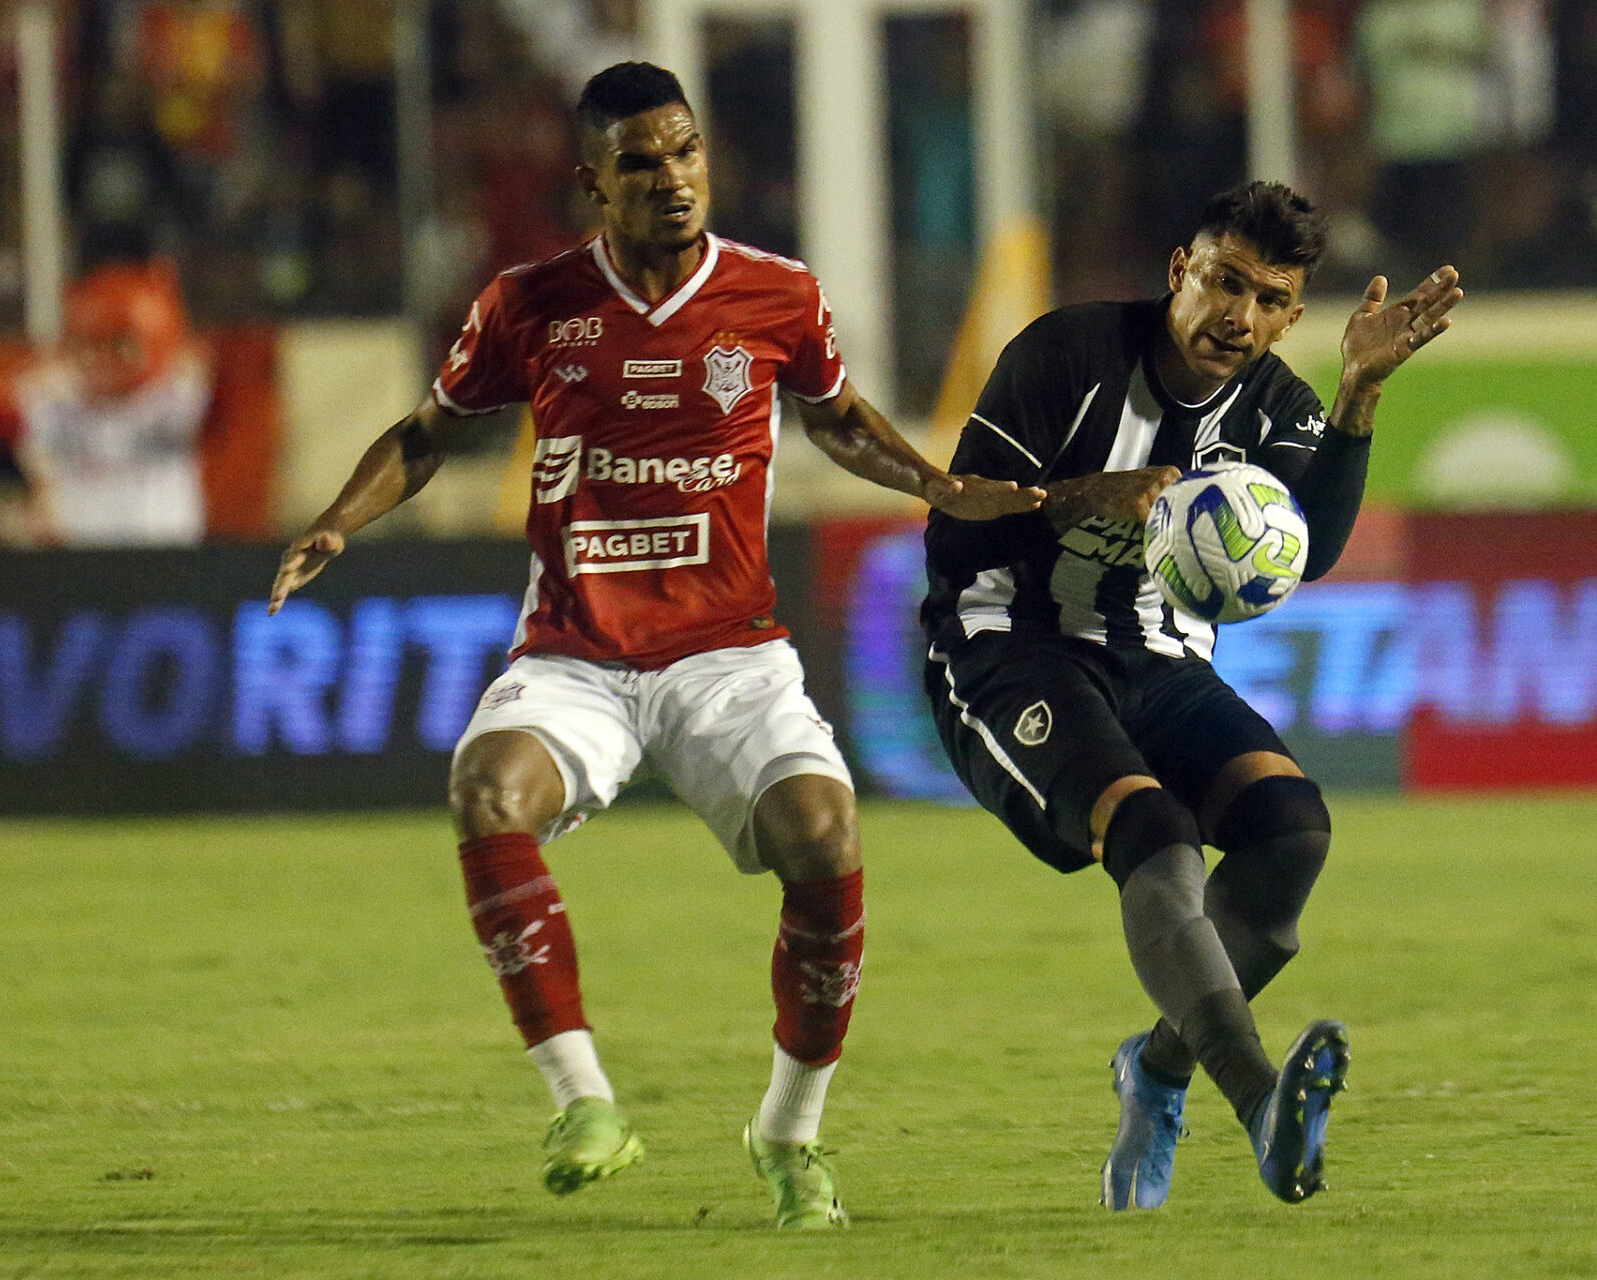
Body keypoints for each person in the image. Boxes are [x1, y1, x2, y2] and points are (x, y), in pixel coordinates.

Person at [268, 62, 1035, 1228]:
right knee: (485, 791)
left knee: (824, 835)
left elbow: (835, 419)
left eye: (685, 153)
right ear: (593, 183)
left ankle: (788, 1132)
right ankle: (583, 1102)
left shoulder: (777, 296)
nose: (673, 178)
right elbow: (428, 431)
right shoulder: (529, 304)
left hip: (730, 654)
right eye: (641, 162)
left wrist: (936, 484)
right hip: (577, 655)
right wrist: (337, 517)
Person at [920, 180, 1461, 1208]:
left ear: (1293, 315)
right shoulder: (1065, 356)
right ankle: (1262, 1101)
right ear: (1182, 269)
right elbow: (952, 531)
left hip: (1160, 656)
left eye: (1268, 300)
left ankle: (1159, 1068)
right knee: (1156, 831)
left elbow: (1310, 553)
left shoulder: (1276, 403)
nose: (1238, 318)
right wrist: (1072, 500)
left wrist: (1356, 400)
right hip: (1011, 643)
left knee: (1290, 829)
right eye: (1224, 283)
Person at [11, 260, 212, 547]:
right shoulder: (50, 400)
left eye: (121, 344)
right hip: (80, 558)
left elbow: (193, 361)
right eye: (94, 344)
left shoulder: (174, 392)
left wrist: (157, 312)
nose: (107, 357)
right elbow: (33, 389)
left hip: (168, 555)